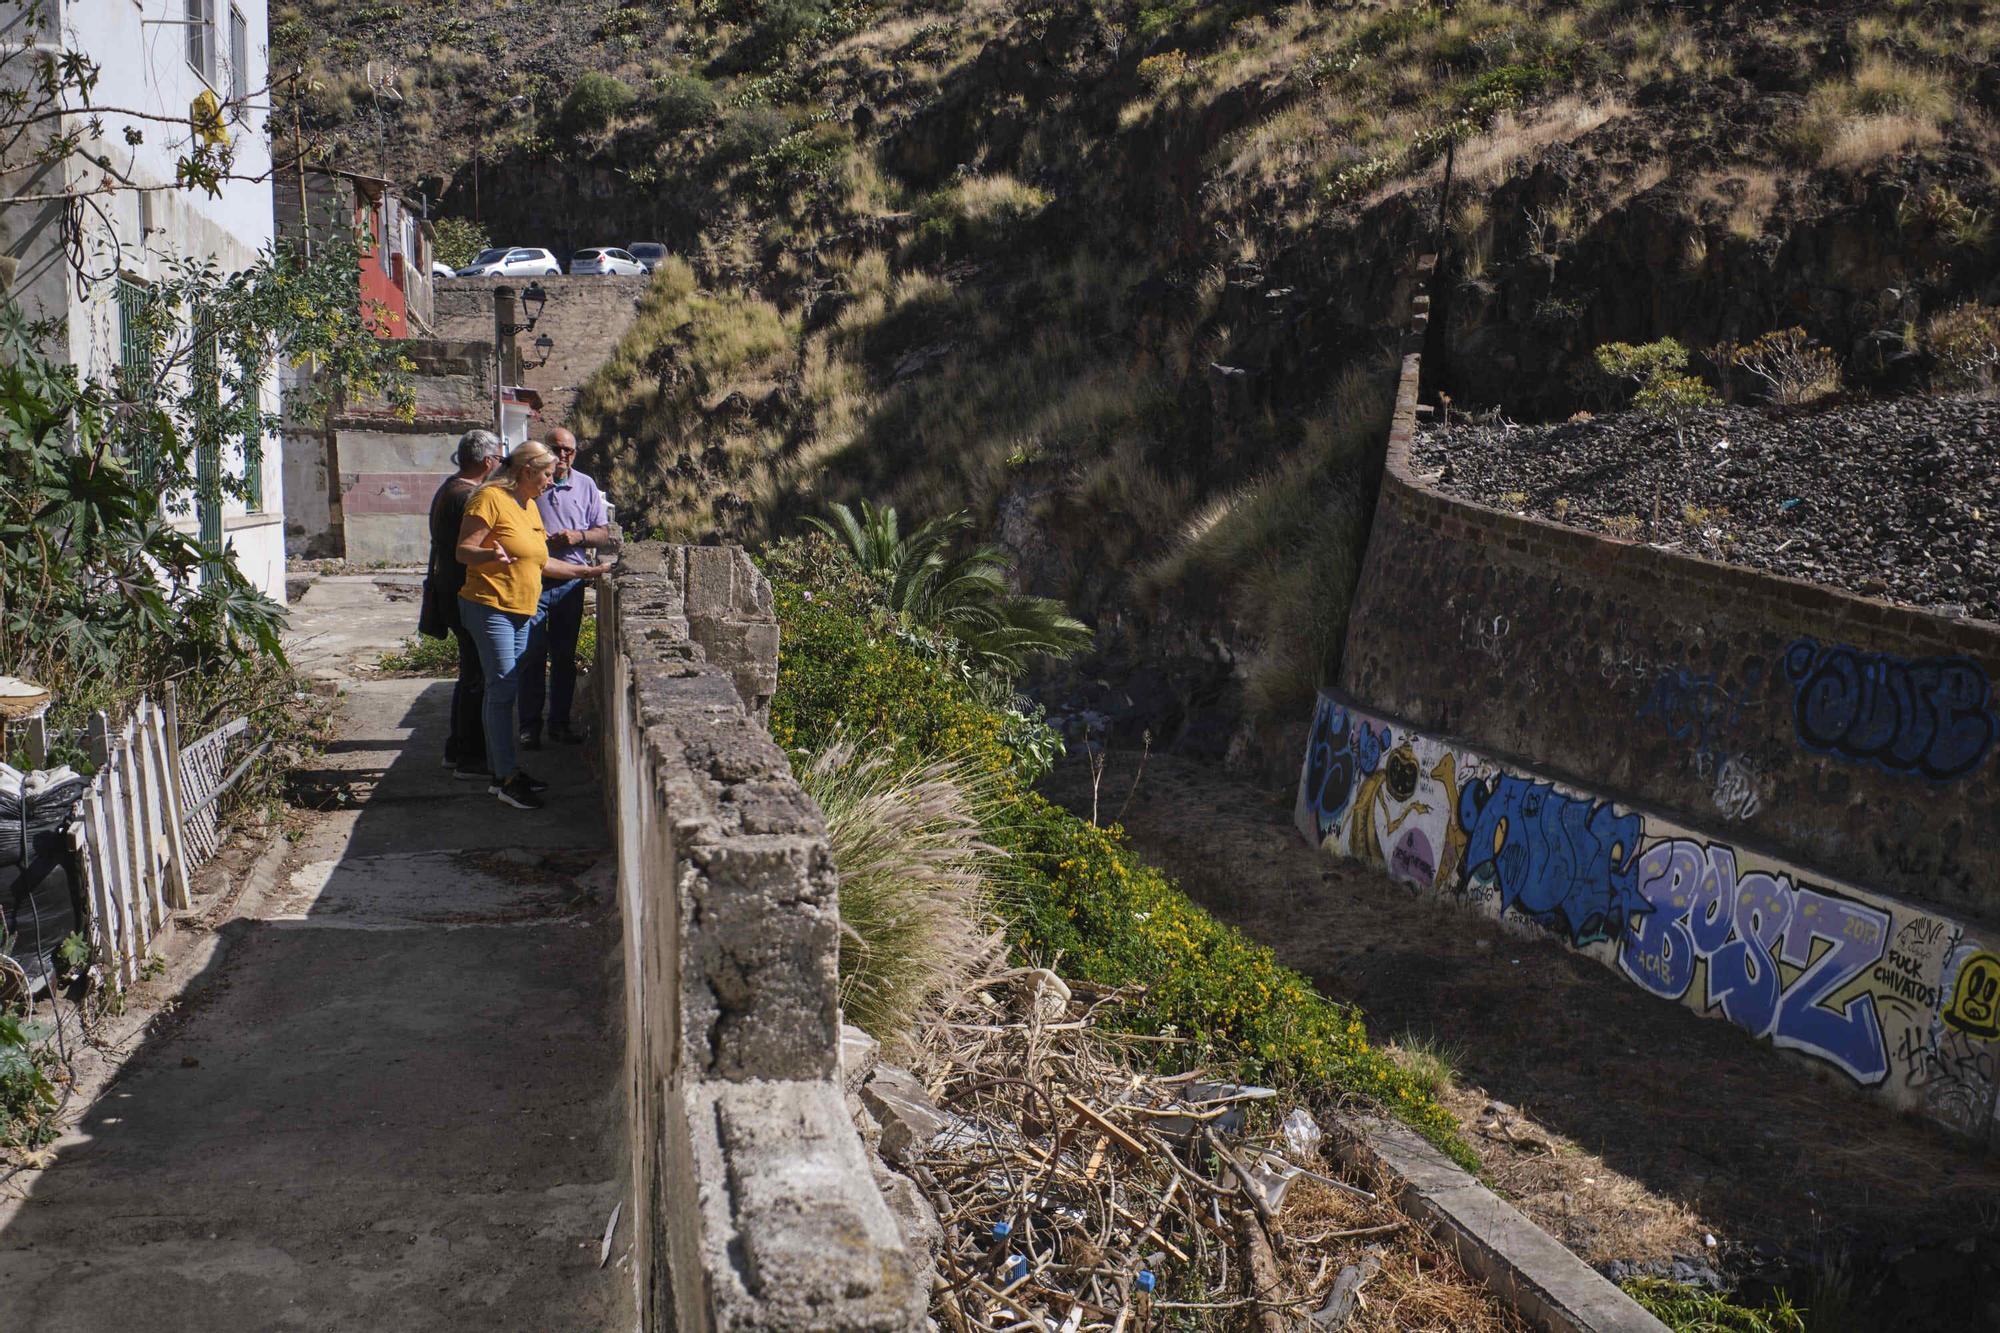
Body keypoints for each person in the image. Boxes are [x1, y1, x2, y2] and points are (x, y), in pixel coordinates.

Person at [455, 441, 612, 810]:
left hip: (520, 608)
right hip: (490, 606)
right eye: (545, 473)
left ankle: (505, 770)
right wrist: (489, 555)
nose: (550, 480)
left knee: (505, 686)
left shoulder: (527, 505)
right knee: (503, 687)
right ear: (526, 470)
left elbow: (539, 562)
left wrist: (586, 571)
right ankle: (505, 777)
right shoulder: (488, 498)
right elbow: (463, 551)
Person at [519, 426, 612, 750]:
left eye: (568, 451)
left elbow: (604, 532)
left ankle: (559, 723)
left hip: (571, 584)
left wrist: (578, 537)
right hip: (534, 582)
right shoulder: (532, 483)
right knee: (531, 656)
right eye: (556, 449)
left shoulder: (585, 485)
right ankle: (529, 727)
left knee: (563, 658)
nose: (562, 456)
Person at [427, 430, 502, 780]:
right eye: (498, 459)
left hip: (447, 590)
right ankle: (471, 756)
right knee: (478, 677)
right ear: (487, 461)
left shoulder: (447, 489)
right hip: (464, 594)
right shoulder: (469, 496)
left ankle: (456, 748)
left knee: (468, 674)